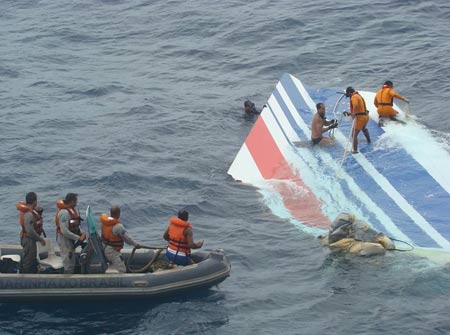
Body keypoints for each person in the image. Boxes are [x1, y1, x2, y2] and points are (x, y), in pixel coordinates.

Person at [100, 205, 142, 273]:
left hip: (105, 248)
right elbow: (127, 238)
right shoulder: (118, 226)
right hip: (112, 252)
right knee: (122, 269)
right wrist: (136, 245)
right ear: (118, 214)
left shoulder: (104, 223)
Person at [55, 193, 86, 274]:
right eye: (76, 201)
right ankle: (66, 278)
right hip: (64, 239)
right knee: (67, 260)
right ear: (72, 201)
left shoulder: (72, 210)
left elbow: (75, 223)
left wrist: (81, 233)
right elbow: (64, 231)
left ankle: (70, 274)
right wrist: (78, 238)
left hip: (70, 239)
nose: (77, 203)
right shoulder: (64, 212)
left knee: (71, 258)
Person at [16, 192, 46, 273]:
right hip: (28, 239)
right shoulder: (29, 214)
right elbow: (30, 231)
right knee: (28, 260)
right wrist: (40, 239)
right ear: (35, 201)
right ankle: (26, 277)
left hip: (29, 239)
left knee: (30, 257)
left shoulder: (31, 211)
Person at [344, 86, 371, 154]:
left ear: (350, 92)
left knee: (354, 134)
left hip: (361, 118)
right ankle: (369, 140)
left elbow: (355, 105)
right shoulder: (358, 96)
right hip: (366, 116)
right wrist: (350, 113)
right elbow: (359, 109)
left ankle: (355, 150)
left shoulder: (354, 97)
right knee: (364, 128)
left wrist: (353, 114)